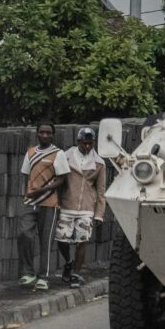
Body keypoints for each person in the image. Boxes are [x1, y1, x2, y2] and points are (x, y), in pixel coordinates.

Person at [18, 123, 71, 291]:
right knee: (24, 234)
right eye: (42, 132)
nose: (45, 135)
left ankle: (44, 276)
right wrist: (26, 194)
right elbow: (25, 176)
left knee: (45, 240)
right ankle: (28, 273)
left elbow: (62, 179)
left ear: (53, 135)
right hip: (30, 201)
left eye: (48, 132)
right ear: (37, 134)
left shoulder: (58, 154)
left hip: (49, 202)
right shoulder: (31, 152)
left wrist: (42, 190)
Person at [57, 127, 107, 288]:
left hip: (86, 208)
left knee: (82, 241)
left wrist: (99, 213)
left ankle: (76, 274)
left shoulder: (99, 163)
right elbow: (58, 180)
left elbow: (101, 191)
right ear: (78, 142)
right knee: (61, 239)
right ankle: (69, 262)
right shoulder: (65, 156)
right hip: (66, 204)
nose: (87, 147)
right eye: (84, 143)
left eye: (90, 144)